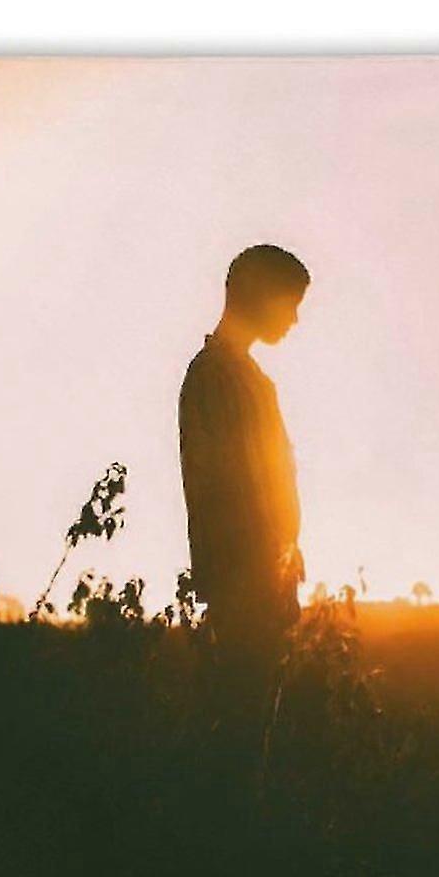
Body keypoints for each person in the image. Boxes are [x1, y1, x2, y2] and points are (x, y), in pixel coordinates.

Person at [178, 244, 309, 688]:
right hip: (246, 583)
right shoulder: (217, 376)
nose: (294, 320)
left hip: (259, 580)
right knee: (244, 719)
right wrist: (265, 570)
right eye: (290, 304)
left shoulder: (242, 377)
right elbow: (232, 485)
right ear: (259, 294)